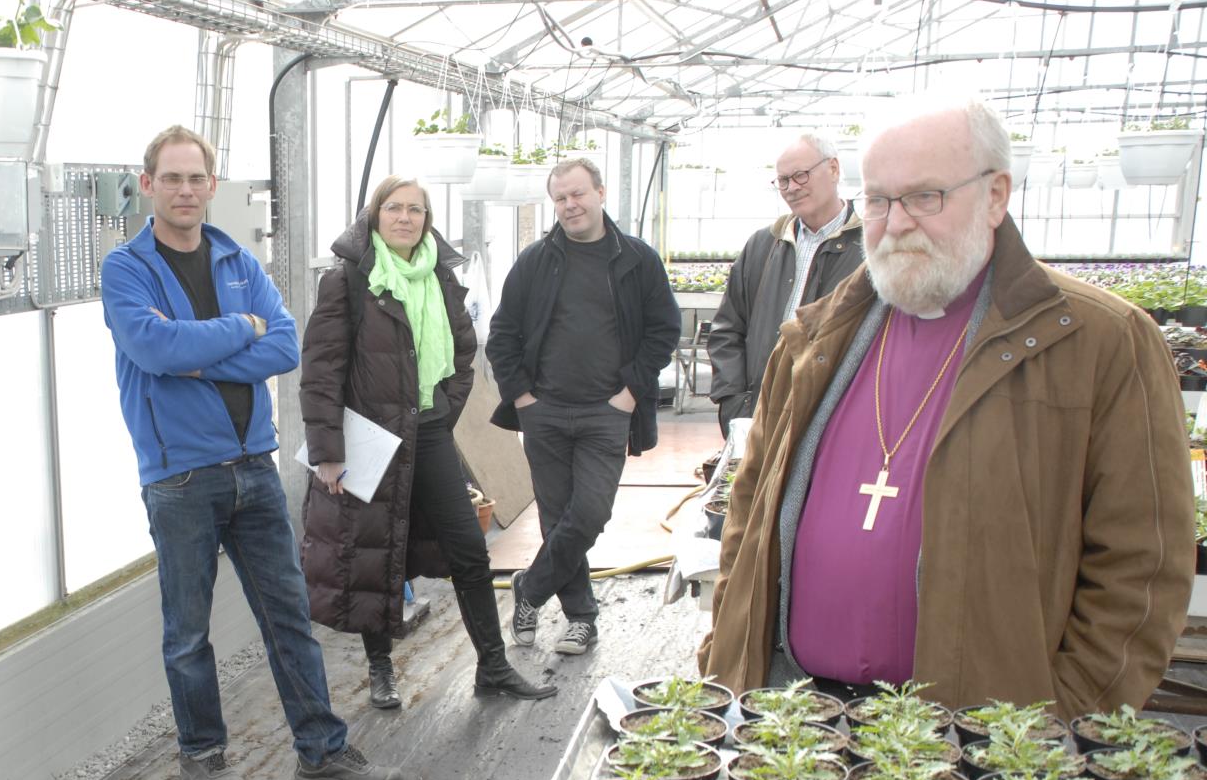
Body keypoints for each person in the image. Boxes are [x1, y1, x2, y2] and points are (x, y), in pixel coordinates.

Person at [699, 95, 1193, 717]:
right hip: (788, 718)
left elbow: (1141, 566)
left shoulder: (1098, 340)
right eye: (878, 200)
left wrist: (1057, 721)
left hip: (972, 745)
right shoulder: (815, 337)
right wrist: (727, 647)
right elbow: (748, 509)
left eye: (925, 196)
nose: (896, 222)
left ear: (995, 195)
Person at [101, 125, 402, 780]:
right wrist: (241, 330)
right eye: (171, 178)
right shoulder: (127, 267)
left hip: (253, 467)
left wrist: (196, 353)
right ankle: (202, 754)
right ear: (148, 185)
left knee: (289, 614)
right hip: (179, 475)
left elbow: (286, 344)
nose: (184, 190)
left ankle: (321, 751)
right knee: (188, 630)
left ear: (212, 185)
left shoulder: (237, 259)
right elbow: (151, 346)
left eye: (195, 178)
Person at [299, 176, 557, 706]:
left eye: (415, 209)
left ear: (427, 218)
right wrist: (328, 452)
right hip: (370, 437)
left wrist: (443, 408)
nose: (405, 218)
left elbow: (464, 353)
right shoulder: (349, 280)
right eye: (394, 208)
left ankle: (493, 665)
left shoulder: (439, 276)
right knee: (374, 552)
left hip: (430, 429)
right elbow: (321, 370)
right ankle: (380, 669)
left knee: (468, 548)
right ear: (375, 215)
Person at [486, 157, 682, 656]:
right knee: (557, 518)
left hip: (606, 412)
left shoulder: (637, 259)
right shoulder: (536, 261)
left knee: (590, 513)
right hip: (545, 412)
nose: (570, 205)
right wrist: (524, 399)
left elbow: (664, 330)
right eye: (560, 198)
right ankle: (582, 619)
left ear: (600, 191)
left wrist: (629, 396)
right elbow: (503, 335)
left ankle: (529, 590)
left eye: (577, 194)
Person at [707, 131, 865, 436]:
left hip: (834, 418)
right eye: (783, 180)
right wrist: (735, 403)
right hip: (761, 412)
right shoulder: (763, 245)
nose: (791, 188)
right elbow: (727, 329)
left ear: (833, 168)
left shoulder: (868, 248)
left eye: (801, 176)